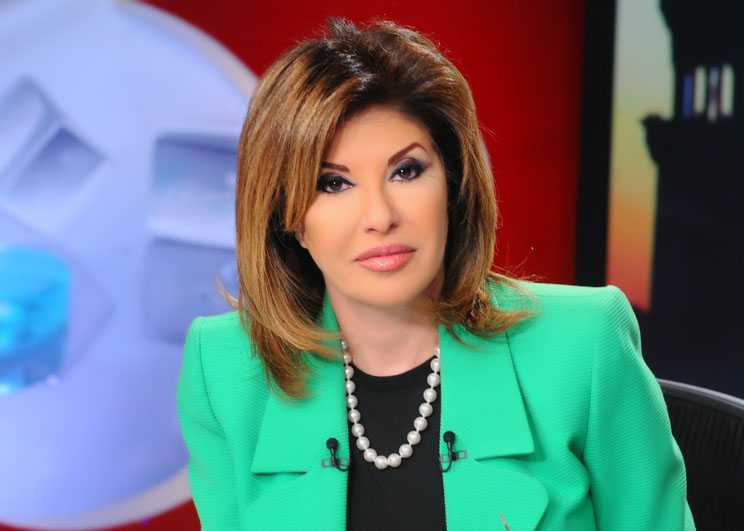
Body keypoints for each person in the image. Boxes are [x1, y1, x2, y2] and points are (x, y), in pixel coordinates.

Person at [176, 18, 695, 530]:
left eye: (406, 171)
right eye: (333, 184)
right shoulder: (224, 370)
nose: (380, 216)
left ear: (452, 184)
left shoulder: (584, 344)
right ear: (289, 219)